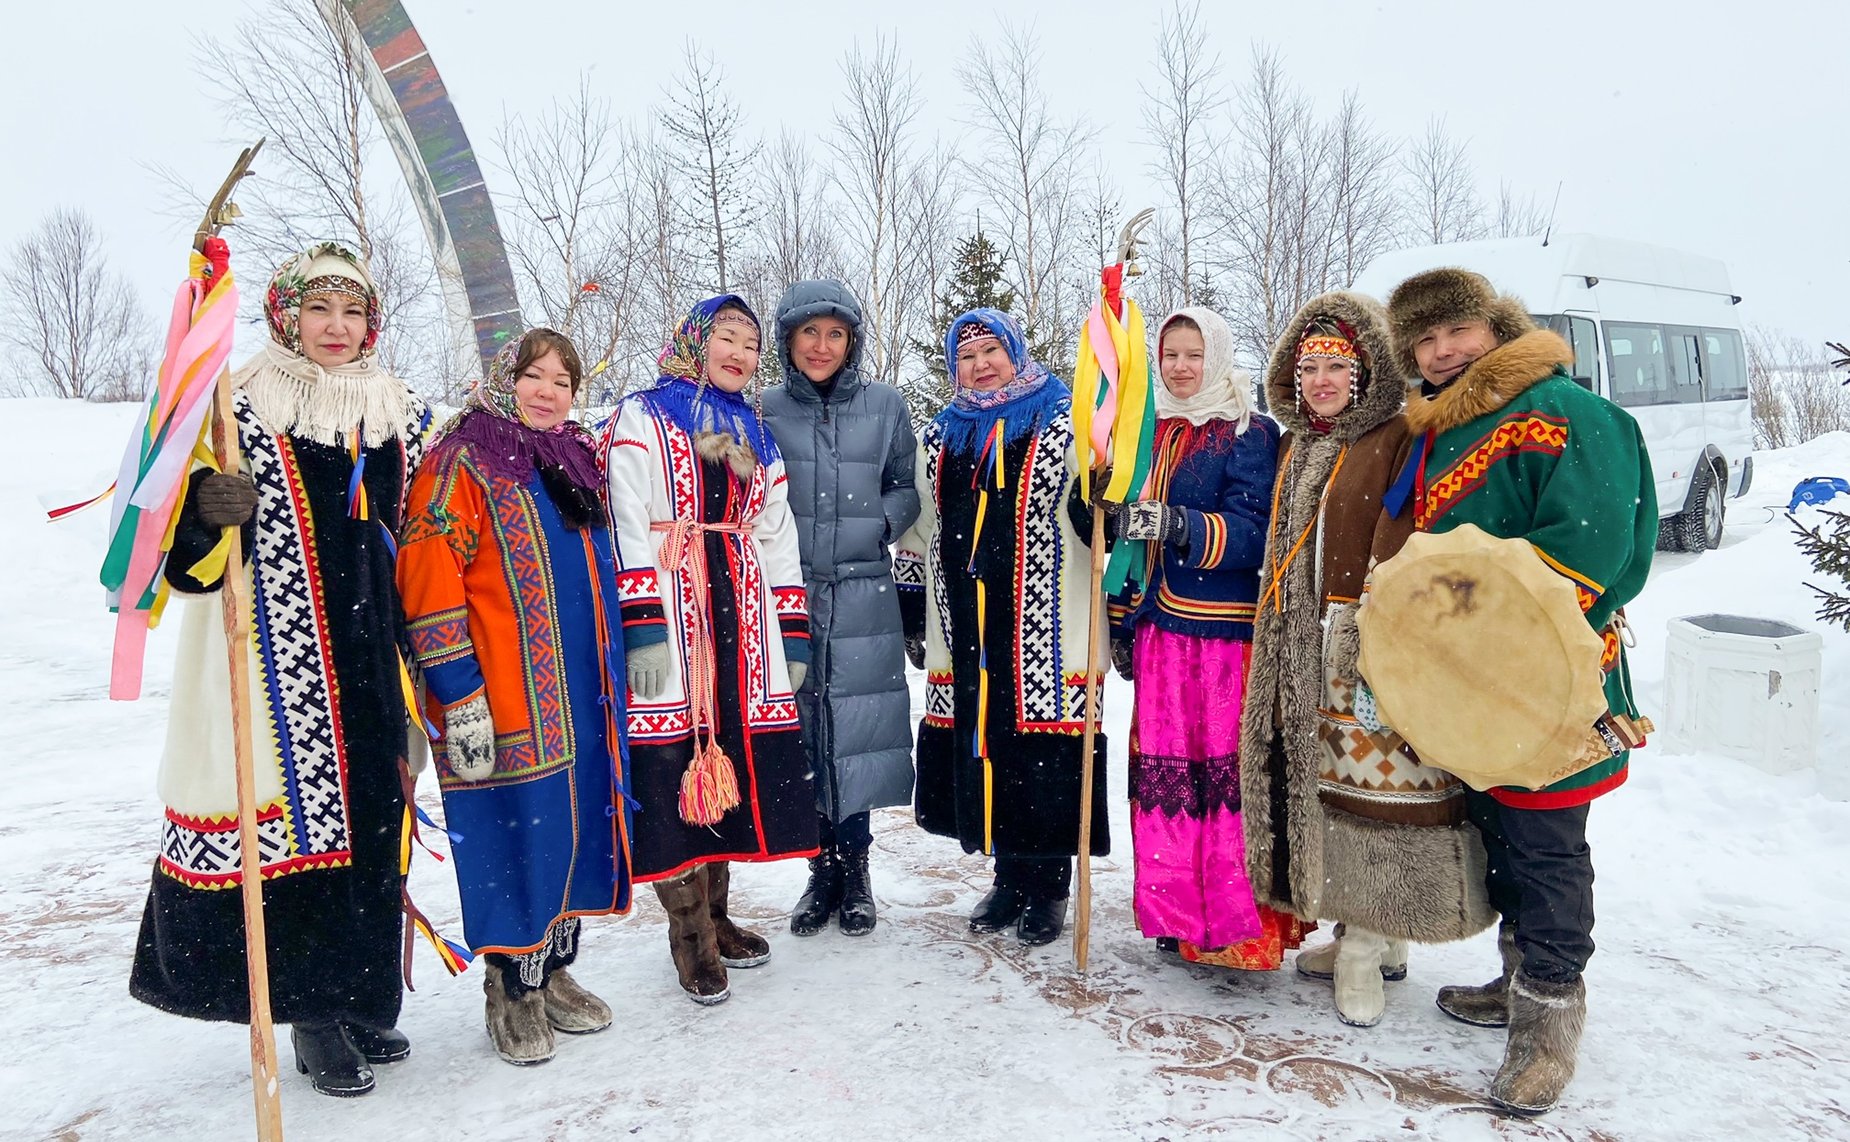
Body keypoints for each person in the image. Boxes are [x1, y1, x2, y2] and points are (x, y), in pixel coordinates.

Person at [128, 242, 432, 1097]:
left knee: (377, 819)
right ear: (284, 315)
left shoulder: (396, 409)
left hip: (375, 647)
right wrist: (205, 518)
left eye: (353, 313)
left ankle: (360, 994)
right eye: (319, 311)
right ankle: (310, 1013)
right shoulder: (240, 404)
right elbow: (177, 556)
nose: (337, 330)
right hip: (278, 658)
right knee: (299, 834)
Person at [1385, 268, 1655, 1114]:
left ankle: (1548, 1027)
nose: (1441, 351)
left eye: (1455, 332)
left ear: (1496, 328)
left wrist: (1505, 639)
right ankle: (1514, 984)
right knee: (1497, 829)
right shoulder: (1453, 425)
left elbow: (1599, 543)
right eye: (1424, 342)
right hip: (1475, 682)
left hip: (1551, 680)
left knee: (1546, 848)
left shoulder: (1566, 412)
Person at [1238, 292, 1495, 1028]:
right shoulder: (1301, 442)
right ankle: (1366, 937)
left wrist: (1367, 620)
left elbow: (1407, 527)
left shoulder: (1394, 433)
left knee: (1380, 793)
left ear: (1365, 373)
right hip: (1300, 651)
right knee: (1332, 793)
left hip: (1370, 646)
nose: (1321, 380)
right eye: (1309, 366)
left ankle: (1369, 948)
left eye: (1336, 368)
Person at [397, 328, 631, 1065]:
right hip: (503, 698)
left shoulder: (573, 458)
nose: (547, 392)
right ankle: (510, 985)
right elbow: (428, 575)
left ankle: (553, 970)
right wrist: (457, 692)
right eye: (534, 376)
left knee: (574, 830)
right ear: (505, 378)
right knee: (516, 835)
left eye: (563, 381)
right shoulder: (460, 460)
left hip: (585, 696)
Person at [601, 294, 818, 1004]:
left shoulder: (749, 430)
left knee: (732, 768)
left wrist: (789, 629)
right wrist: (642, 623)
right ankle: (689, 938)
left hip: (742, 613)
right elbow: (628, 520)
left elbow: (776, 528)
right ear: (694, 341)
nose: (740, 352)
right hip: (672, 601)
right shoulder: (644, 416)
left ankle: (719, 917)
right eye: (726, 336)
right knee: (674, 769)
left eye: (751, 344)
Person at [895, 308, 1107, 948]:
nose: (981, 364)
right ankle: (1008, 876)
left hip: (1043, 622)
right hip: (963, 621)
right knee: (986, 751)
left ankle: (1048, 885)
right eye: (967, 356)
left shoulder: (1066, 422)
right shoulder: (941, 436)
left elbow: (1091, 507)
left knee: (1040, 754)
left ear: (1016, 353)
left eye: (992, 350)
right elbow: (918, 528)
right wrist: (910, 611)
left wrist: (1101, 495)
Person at [1106, 308, 1281, 967]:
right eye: (1170, 354)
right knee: (1164, 782)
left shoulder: (1248, 432)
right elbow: (1121, 536)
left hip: (1220, 639)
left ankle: (1235, 923)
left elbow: (1255, 533)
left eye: (1194, 354)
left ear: (1219, 356)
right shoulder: (1145, 432)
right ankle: (1177, 914)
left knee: (1220, 781)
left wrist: (1179, 524)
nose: (1180, 367)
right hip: (1159, 633)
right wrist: (1122, 617)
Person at [761, 280, 920, 937]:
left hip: (862, 591)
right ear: (789, 341)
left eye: (835, 335)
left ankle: (855, 871)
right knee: (801, 732)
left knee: (852, 737)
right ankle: (816, 872)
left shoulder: (885, 405)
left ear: (851, 342)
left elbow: (906, 486)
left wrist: (876, 527)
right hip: (789, 595)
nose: (821, 347)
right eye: (809, 334)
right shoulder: (765, 408)